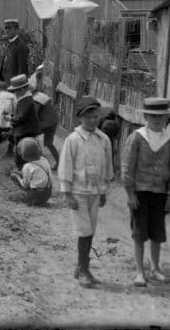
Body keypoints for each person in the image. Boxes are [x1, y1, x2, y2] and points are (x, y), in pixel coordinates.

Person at [58, 95, 115, 287]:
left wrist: (104, 190)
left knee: (90, 231)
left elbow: (107, 165)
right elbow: (65, 165)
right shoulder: (73, 139)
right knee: (84, 232)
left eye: (96, 116)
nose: (92, 120)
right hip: (78, 193)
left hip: (95, 192)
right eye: (88, 117)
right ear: (80, 118)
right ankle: (84, 270)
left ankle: (81, 266)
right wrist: (67, 193)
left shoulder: (104, 139)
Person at [122, 97, 170, 287]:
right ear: (145, 116)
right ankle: (139, 271)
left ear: (166, 118)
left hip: (160, 192)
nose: (156, 120)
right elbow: (128, 166)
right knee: (139, 232)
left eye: (160, 117)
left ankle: (155, 268)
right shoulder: (137, 137)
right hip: (140, 192)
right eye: (152, 116)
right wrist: (130, 194)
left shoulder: (169, 140)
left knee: (157, 232)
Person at [7, 75, 41, 165]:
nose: (15, 93)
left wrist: (11, 119)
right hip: (28, 129)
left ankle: (22, 168)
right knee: (24, 150)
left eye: (16, 90)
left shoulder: (25, 100)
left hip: (25, 130)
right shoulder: (25, 98)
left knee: (21, 152)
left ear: (22, 89)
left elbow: (21, 117)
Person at [11, 138, 53, 206]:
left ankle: (33, 201)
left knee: (12, 196)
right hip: (47, 193)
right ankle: (41, 202)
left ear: (23, 156)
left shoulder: (27, 166)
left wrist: (17, 176)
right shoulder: (44, 160)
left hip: (35, 194)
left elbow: (25, 185)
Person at [33, 84, 61, 167]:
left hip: (45, 123)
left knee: (29, 136)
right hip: (53, 121)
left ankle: (39, 160)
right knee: (49, 143)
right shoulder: (42, 96)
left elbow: (34, 114)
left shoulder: (36, 99)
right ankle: (58, 163)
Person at [0, 79, 16, 151]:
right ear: (6, 88)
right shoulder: (12, 96)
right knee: (12, 137)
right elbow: (15, 109)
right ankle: (9, 151)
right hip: (8, 119)